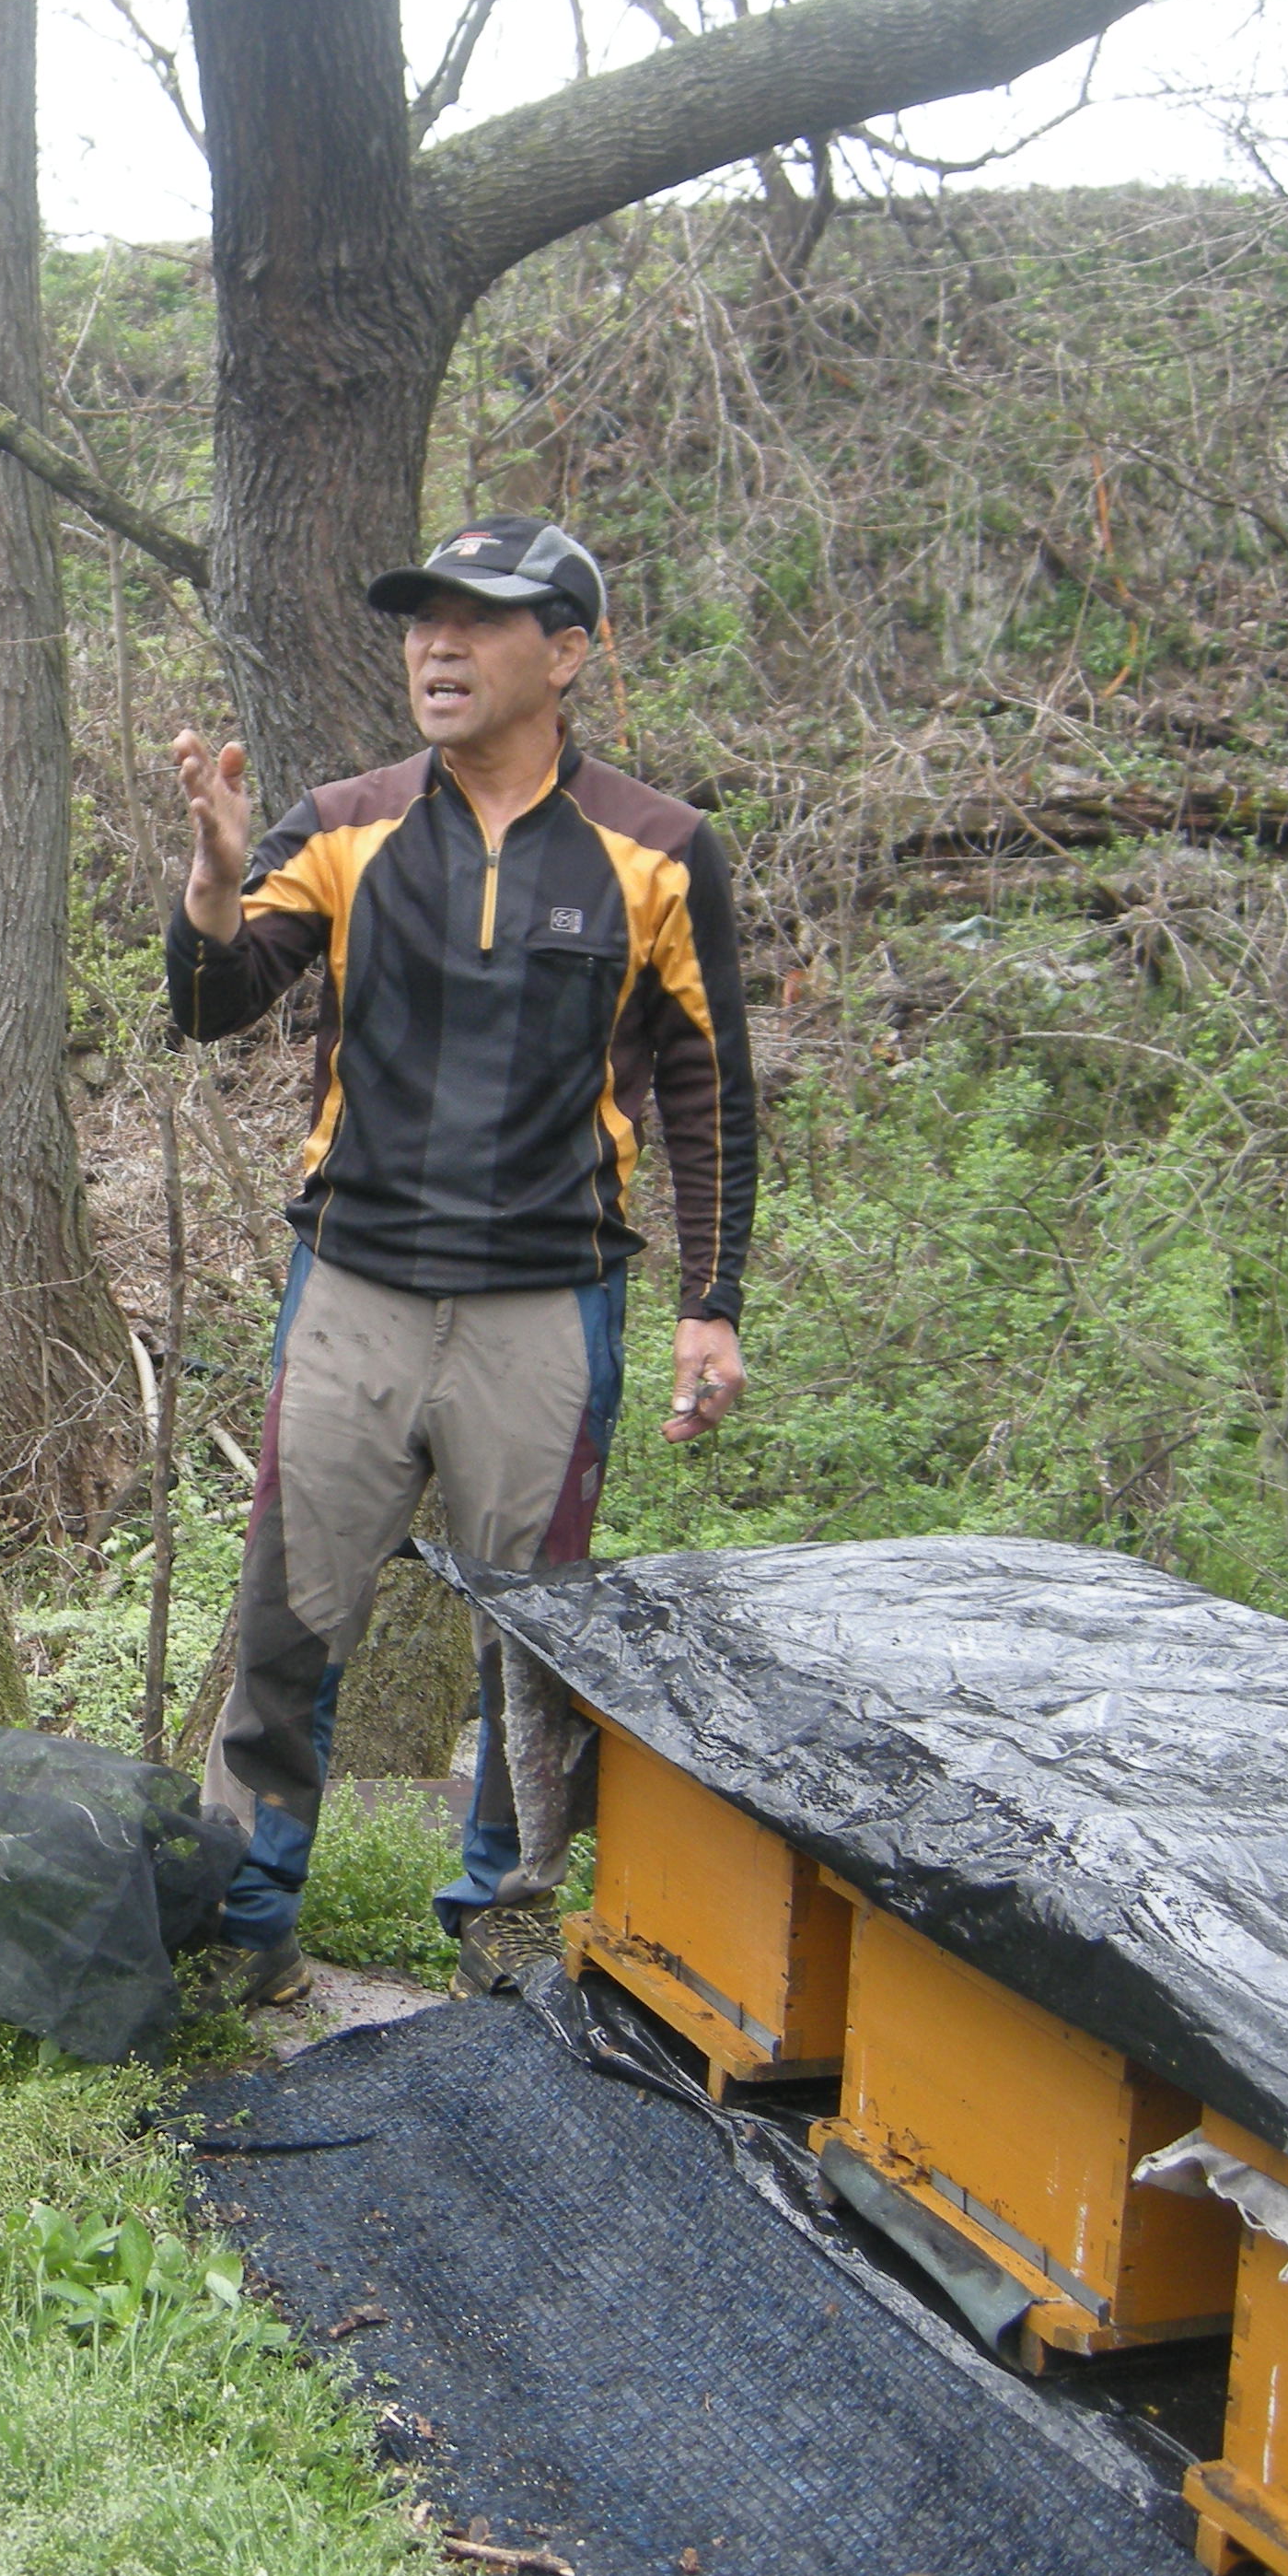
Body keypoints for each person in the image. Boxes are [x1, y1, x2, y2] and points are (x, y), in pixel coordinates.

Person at [166, 516, 756, 2009]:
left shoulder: (659, 848)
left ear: (564, 654)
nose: (437, 646)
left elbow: (711, 1085)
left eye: (478, 623)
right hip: (352, 1290)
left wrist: (712, 1303)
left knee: (535, 1653)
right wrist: (218, 884)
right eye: (422, 621)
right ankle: (248, 1928)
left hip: (548, 1307)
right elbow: (214, 1004)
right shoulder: (347, 821)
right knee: (287, 1624)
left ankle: (503, 1934)